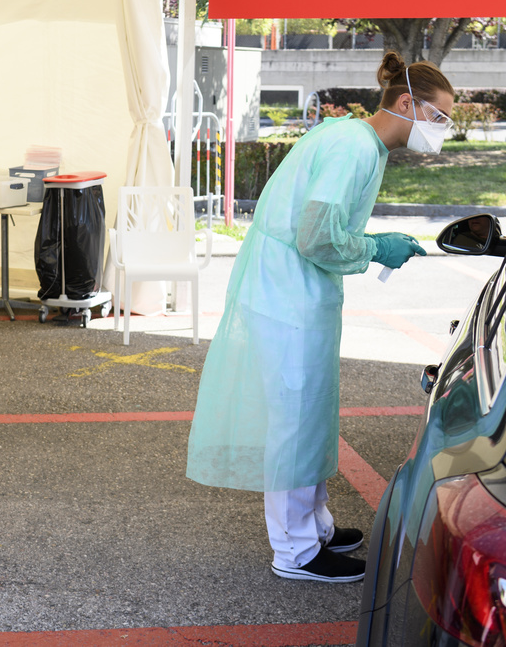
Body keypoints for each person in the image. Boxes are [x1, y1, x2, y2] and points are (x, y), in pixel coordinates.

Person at [186, 51, 456, 583]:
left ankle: (316, 527)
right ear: (407, 103)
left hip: (298, 292)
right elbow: (317, 236)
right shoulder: (352, 148)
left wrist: (369, 246)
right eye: (440, 117)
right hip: (287, 295)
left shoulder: (361, 143)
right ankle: (295, 552)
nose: (443, 130)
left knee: (309, 415)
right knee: (294, 419)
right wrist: (375, 248)